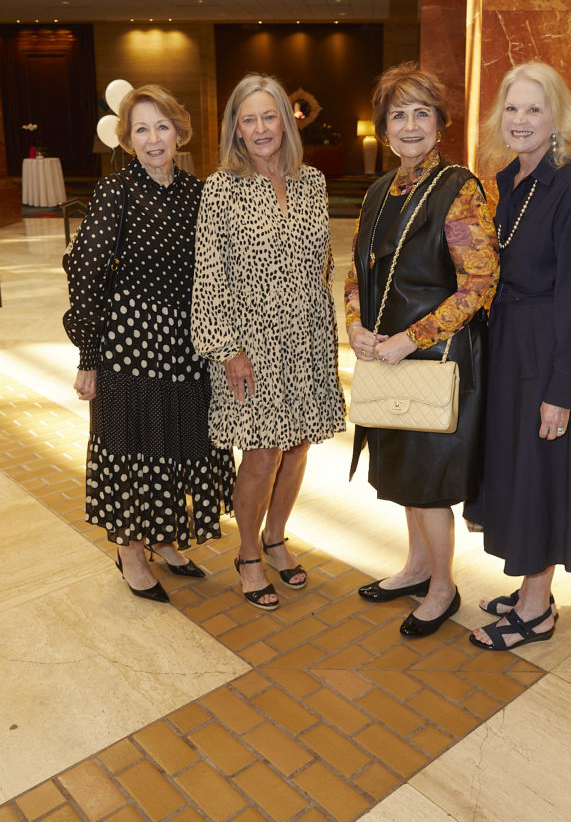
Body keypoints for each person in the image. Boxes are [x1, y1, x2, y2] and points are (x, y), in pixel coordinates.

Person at [344, 62, 499, 638]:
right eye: (398, 115)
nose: (410, 126)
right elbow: (358, 271)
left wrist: (412, 339)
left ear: (440, 123)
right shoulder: (380, 191)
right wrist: (356, 326)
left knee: (429, 483)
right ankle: (414, 568)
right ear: (385, 129)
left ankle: (442, 588)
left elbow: (479, 284)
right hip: (387, 354)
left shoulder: (458, 189)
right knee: (405, 473)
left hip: (437, 358)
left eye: (421, 114)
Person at [64, 84, 234, 603]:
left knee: (179, 442)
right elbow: (85, 272)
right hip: (128, 346)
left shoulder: (197, 192)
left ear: (179, 132)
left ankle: (163, 536)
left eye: (162, 126)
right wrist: (88, 356)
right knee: (133, 446)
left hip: (186, 347)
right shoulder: (116, 191)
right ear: (127, 139)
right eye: (141, 129)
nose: (154, 138)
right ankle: (131, 550)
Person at [466, 61, 571, 651]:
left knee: (542, 471)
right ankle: (532, 589)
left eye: (534, 109)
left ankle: (535, 612)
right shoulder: (512, 179)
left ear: (557, 119)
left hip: (548, 347)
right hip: (510, 344)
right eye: (512, 108)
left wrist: (561, 388)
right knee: (517, 469)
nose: (520, 120)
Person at [191, 73, 345, 611]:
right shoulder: (220, 188)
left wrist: (328, 334)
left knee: (298, 443)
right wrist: (228, 349)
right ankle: (249, 553)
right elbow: (208, 276)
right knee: (260, 452)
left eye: (268, 116)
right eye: (248, 119)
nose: (259, 128)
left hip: (307, 338)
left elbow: (322, 263)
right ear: (235, 127)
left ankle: (277, 537)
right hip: (250, 344)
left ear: (287, 119)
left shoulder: (313, 182)